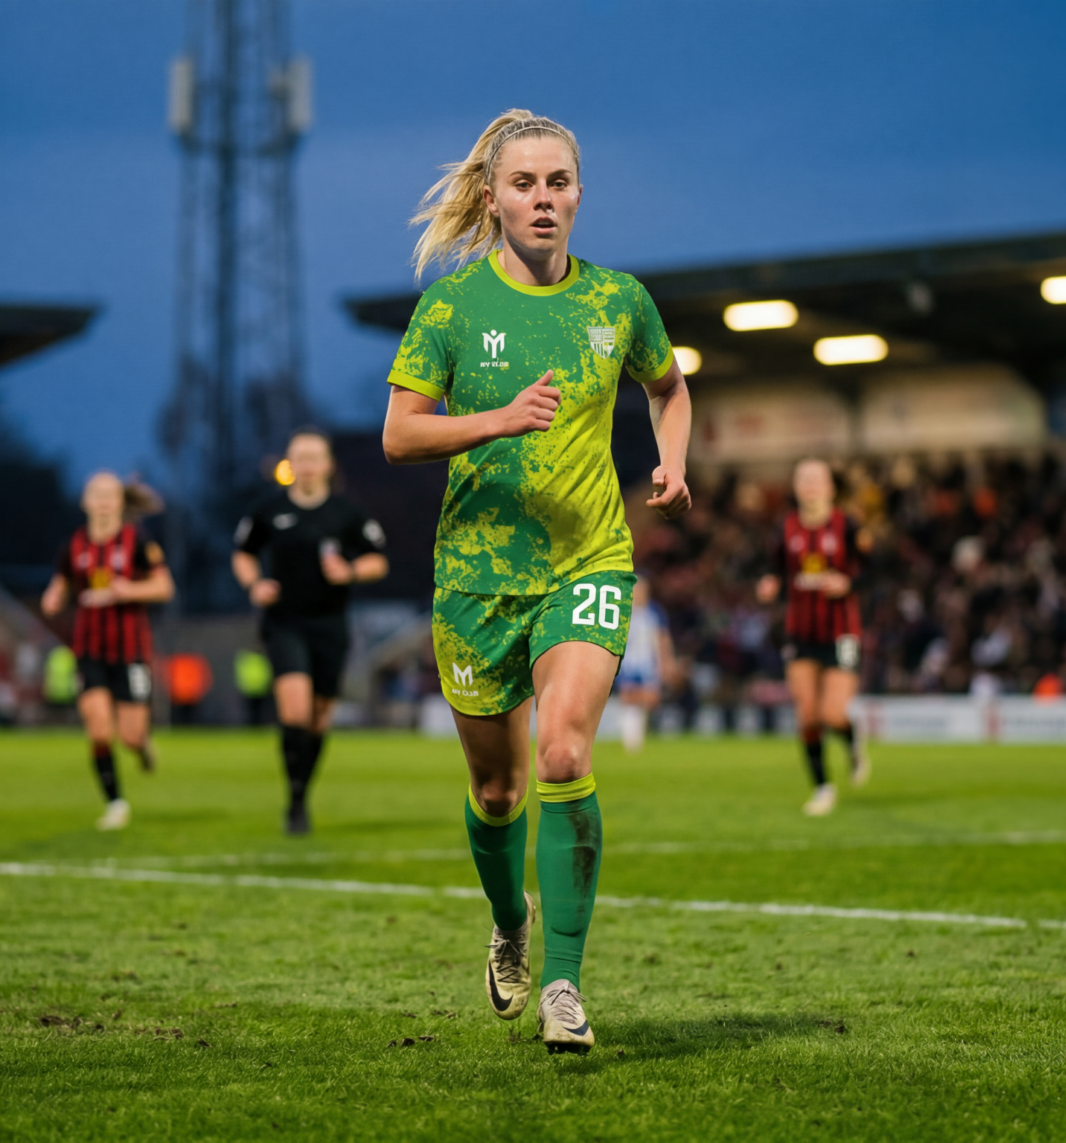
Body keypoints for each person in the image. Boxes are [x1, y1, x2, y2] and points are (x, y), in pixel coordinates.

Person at [383, 109, 693, 1054]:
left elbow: (668, 385)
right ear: (494, 197)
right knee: (497, 794)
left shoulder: (620, 302)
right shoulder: (452, 308)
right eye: (525, 184)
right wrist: (499, 419)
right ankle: (510, 924)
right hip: (476, 582)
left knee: (563, 752)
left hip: (589, 560)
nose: (543, 199)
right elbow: (400, 434)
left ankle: (563, 977)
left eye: (558, 182)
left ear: (579, 193)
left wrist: (673, 460)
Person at [232, 429, 390, 835]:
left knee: (319, 720)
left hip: (330, 624)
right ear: (290, 464)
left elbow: (378, 560)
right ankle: (295, 801)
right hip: (284, 622)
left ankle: (302, 791)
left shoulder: (346, 514)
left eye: (313, 457)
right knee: (296, 711)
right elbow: (243, 554)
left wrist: (351, 571)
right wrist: (255, 585)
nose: (306, 464)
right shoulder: (268, 511)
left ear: (327, 464)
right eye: (298, 457)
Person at [41, 472, 174, 829]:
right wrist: (54, 598)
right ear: (84, 502)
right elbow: (61, 584)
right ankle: (116, 803)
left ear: (120, 503)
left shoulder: (138, 542)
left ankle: (143, 747)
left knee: (130, 736)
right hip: (89, 650)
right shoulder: (74, 545)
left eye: (108, 495)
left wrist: (125, 591)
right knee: (99, 730)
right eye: (94, 495)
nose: (101, 502)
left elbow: (164, 587)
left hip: (130, 652)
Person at [756, 458, 869, 816]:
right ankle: (823, 787)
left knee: (833, 714)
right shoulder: (785, 528)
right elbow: (773, 566)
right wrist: (770, 583)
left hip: (841, 631)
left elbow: (877, 571)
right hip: (800, 632)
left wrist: (849, 582)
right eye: (802, 478)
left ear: (830, 487)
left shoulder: (848, 525)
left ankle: (852, 740)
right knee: (808, 716)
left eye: (816, 479)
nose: (810, 485)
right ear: (795, 487)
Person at [613, 576, 673, 754]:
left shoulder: (654, 612)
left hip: (648, 663)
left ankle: (640, 735)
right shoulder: (623, 610)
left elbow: (662, 638)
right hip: (628, 662)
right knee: (628, 697)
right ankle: (631, 742)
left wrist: (665, 660)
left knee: (649, 698)